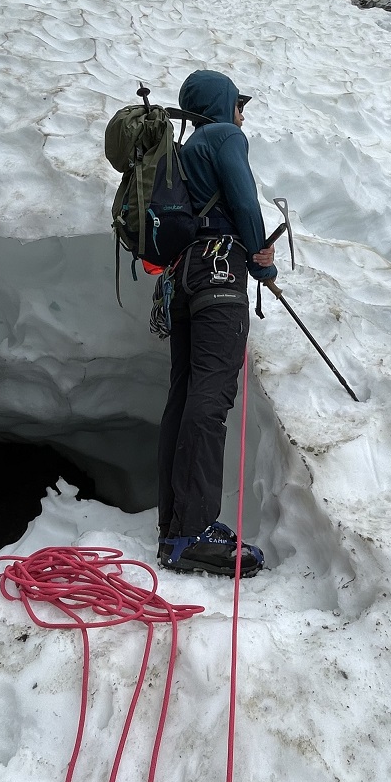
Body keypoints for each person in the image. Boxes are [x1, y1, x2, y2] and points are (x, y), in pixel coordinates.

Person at [156, 70, 276, 576]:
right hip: (220, 267)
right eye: (238, 104)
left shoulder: (182, 153)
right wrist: (261, 258)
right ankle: (196, 532)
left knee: (184, 397)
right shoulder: (224, 136)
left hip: (184, 276)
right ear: (222, 104)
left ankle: (177, 528)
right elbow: (244, 201)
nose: (242, 113)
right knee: (212, 395)